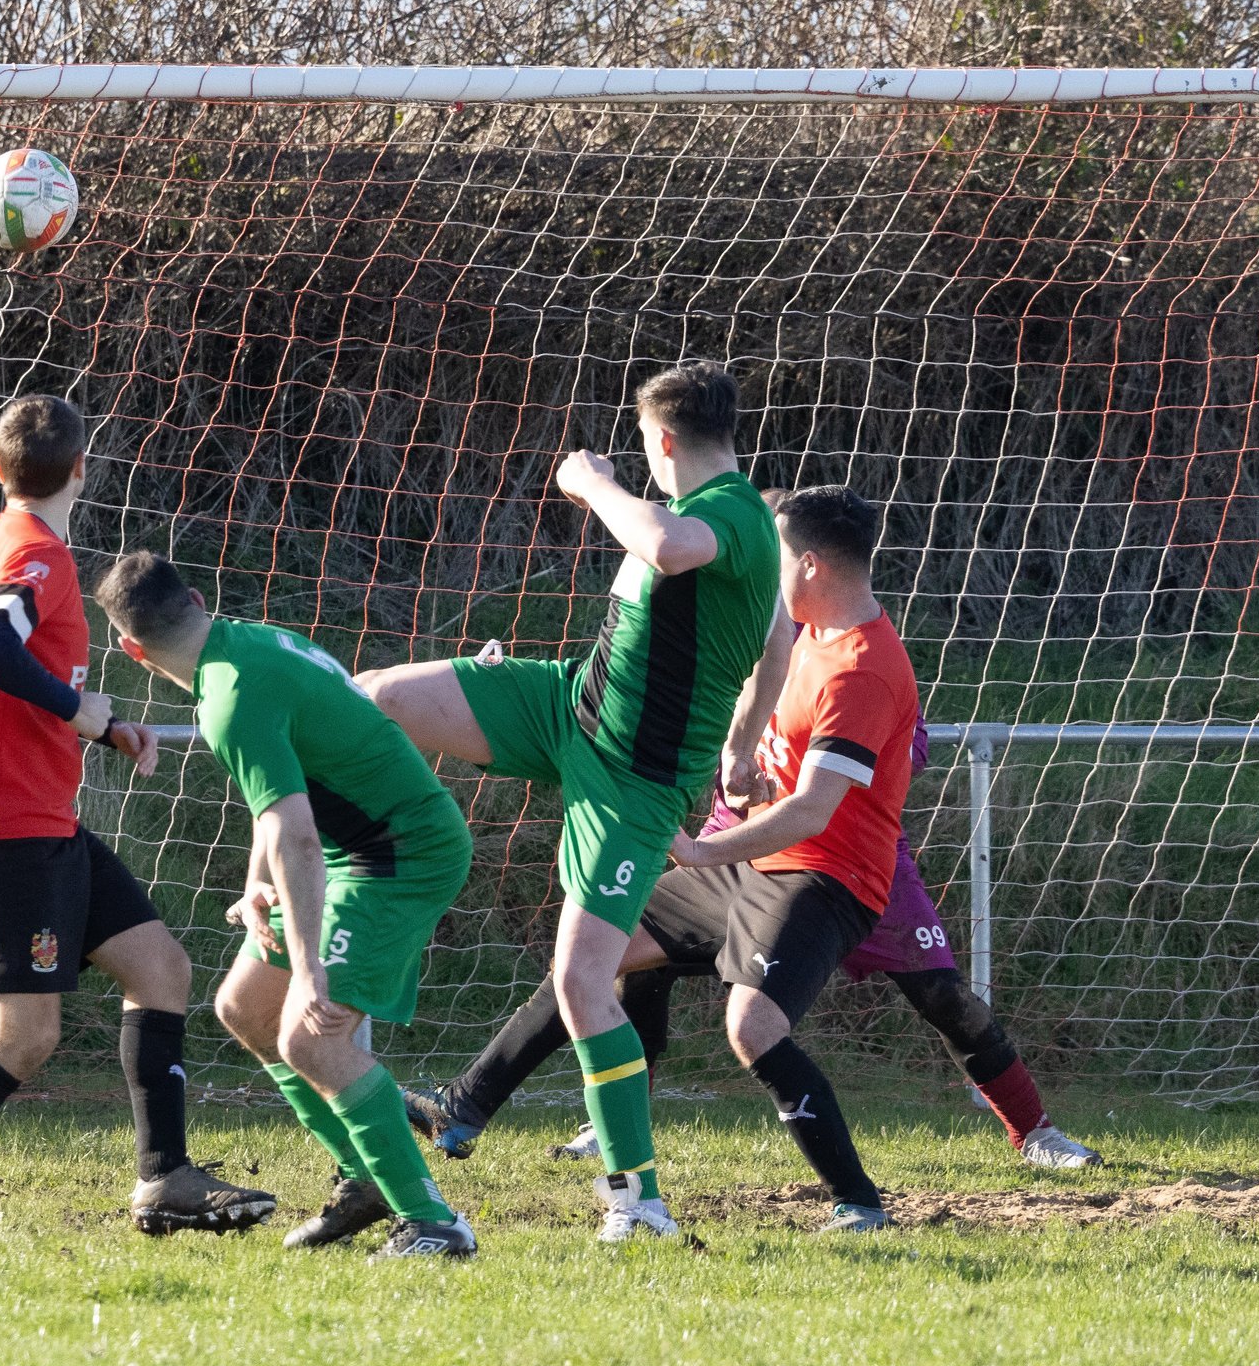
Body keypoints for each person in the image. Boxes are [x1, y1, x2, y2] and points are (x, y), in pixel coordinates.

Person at [360, 360, 785, 1241]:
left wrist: (595, 484)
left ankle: (639, 1202)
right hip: (567, 706)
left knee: (584, 981)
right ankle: (369, 860)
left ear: (661, 442)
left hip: (634, 781)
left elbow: (668, 550)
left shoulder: (731, 514)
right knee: (374, 700)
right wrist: (744, 745)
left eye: (643, 449)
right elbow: (777, 641)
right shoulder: (704, 520)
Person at [0, 396, 275, 1242]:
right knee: (24, 1034)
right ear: (85, 468)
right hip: (3, 830)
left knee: (161, 969)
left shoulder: (3, 544)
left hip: (45, 821)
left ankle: (164, 1178)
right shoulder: (37, 555)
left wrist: (101, 726)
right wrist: (84, 711)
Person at [100, 551, 479, 1259]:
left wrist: (309, 970)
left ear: (130, 650)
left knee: (311, 1032)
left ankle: (434, 1222)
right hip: (357, 848)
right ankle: (367, 1180)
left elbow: (298, 840)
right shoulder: (247, 643)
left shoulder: (227, 699)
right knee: (244, 1008)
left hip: (402, 852)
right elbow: (281, 800)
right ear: (197, 597)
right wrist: (255, 878)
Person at [547, 726, 1103, 1173]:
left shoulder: (858, 654)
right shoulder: (752, 651)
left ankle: (1036, 1131)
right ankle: (617, 1122)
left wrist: (814, 772)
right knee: (640, 952)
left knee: (942, 994)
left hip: (860, 862)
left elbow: (897, 752)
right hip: (749, 847)